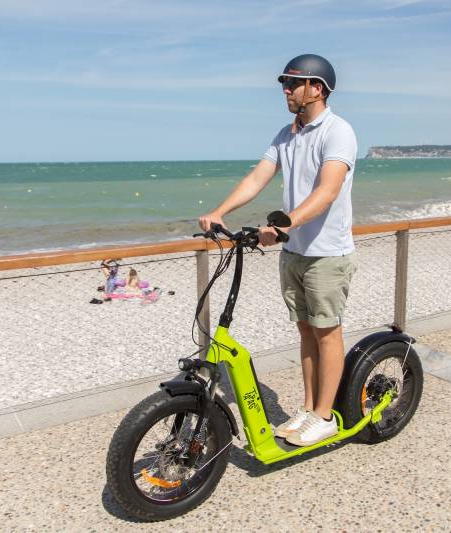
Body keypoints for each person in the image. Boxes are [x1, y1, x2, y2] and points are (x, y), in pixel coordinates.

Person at [198, 54, 357, 447]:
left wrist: (283, 225)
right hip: (295, 253)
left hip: (327, 253)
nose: (285, 90)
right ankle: (308, 408)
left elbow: (328, 190)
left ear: (316, 88)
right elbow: (258, 177)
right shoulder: (286, 135)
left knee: (327, 331)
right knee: (305, 330)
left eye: (293, 83)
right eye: (284, 83)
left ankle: (324, 415)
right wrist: (220, 211)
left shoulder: (338, 132)